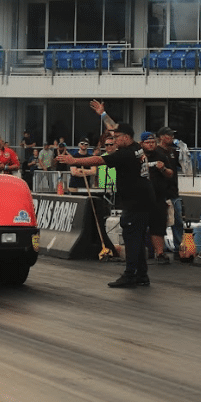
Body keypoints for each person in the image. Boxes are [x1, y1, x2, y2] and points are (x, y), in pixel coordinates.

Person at [58, 123, 154, 287]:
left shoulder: (125, 154)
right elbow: (115, 127)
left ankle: (130, 274)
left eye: (116, 138)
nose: (114, 141)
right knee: (137, 237)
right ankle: (141, 275)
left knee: (131, 238)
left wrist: (75, 160)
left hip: (135, 201)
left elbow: (99, 159)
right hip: (144, 198)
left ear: (125, 137)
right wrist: (103, 115)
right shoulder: (137, 147)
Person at [140, 131, 175, 264]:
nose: (150, 145)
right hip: (141, 197)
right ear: (142, 143)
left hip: (158, 197)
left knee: (158, 227)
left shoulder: (161, 155)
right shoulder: (138, 156)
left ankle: (159, 253)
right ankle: (140, 252)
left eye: (152, 142)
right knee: (140, 226)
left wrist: (163, 168)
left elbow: (171, 173)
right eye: (148, 142)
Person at [157, 126, 185, 254]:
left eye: (172, 135)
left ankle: (179, 247)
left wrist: (184, 151)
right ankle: (159, 248)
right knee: (160, 221)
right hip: (160, 192)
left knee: (178, 220)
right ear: (162, 137)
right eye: (169, 135)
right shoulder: (157, 151)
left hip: (174, 191)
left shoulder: (174, 152)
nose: (172, 138)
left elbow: (187, 166)